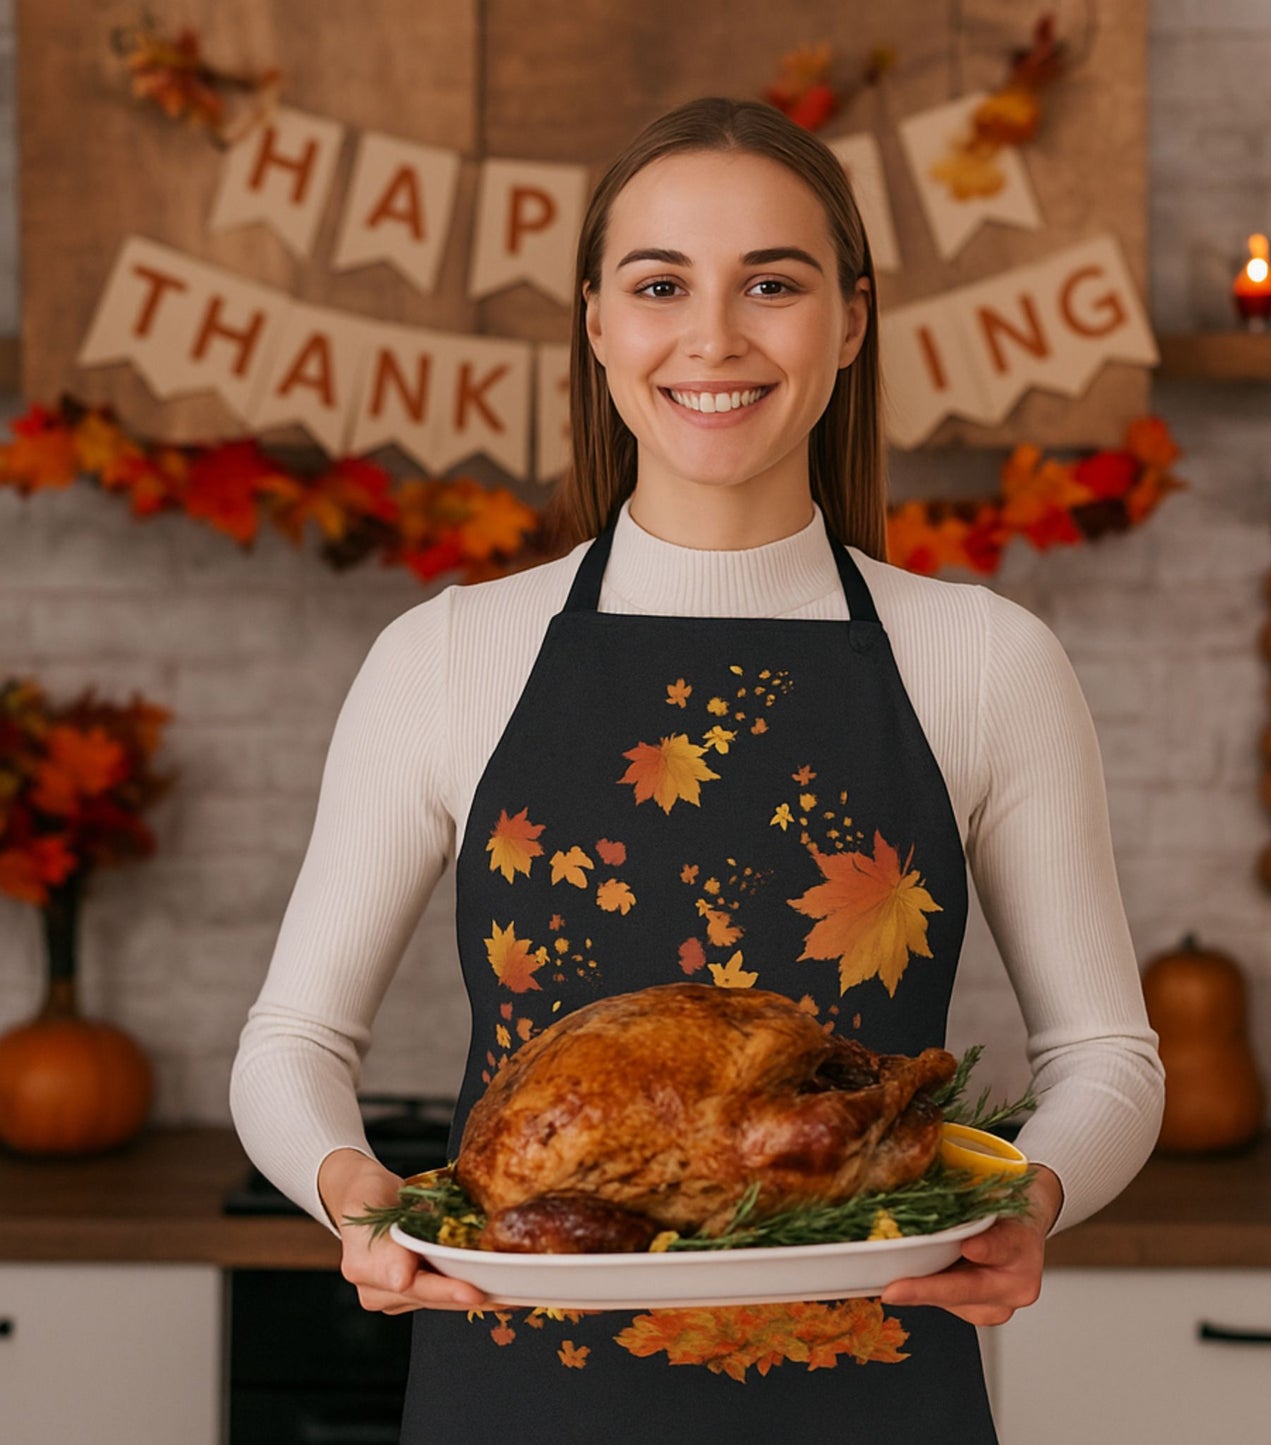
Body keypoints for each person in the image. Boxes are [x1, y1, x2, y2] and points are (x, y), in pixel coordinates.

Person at [231, 95, 1164, 1442]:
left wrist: (1028, 1202)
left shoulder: (980, 659)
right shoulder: (448, 654)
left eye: (769, 285)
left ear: (849, 321)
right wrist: (357, 1194)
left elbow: (1103, 1053)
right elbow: (292, 1043)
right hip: (521, 1390)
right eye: (660, 283)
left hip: (870, 1392)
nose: (713, 336)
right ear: (597, 321)